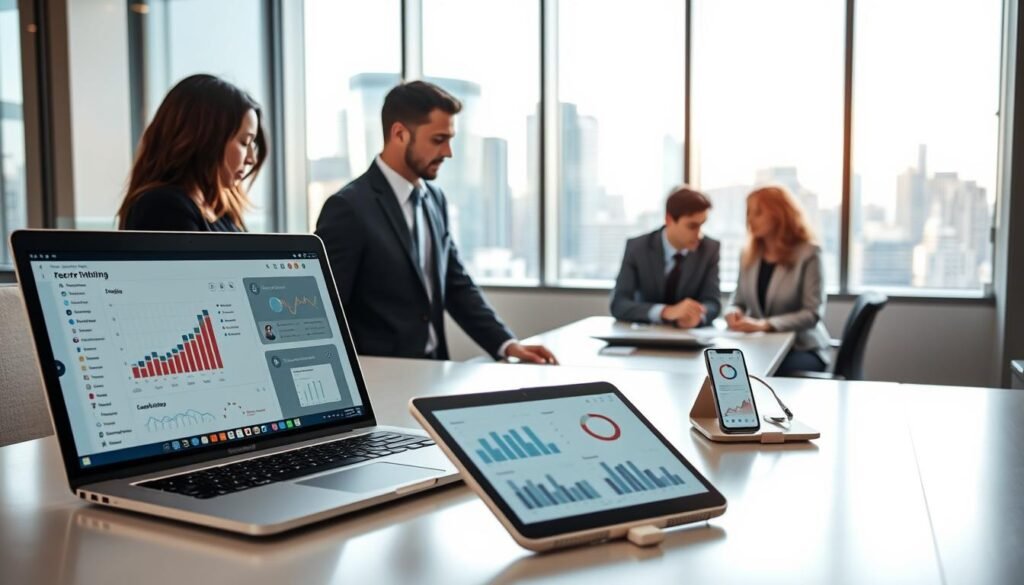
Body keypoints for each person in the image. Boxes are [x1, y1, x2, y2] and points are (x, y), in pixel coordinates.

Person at [315, 80, 557, 364]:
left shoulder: (435, 199)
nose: (448, 152)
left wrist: (507, 344)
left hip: (434, 368)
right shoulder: (348, 208)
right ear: (400, 134)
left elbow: (455, 284)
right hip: (378, 378)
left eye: (450, 139)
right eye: (438, 140)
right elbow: (327, 311)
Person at [116, 74, 267, 231]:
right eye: (244, 142)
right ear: (208, 139)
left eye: (252, 144)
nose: (252, 159)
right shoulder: (163, 208)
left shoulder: (222, 211)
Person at [724, 185, 831, 375]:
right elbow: (738, 299)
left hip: (802, 348)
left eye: (757, 213)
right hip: (761, 346)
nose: (750, 219)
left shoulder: (809, 253)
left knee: (758, 373)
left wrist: (766, 325)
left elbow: (812, 313)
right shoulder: (748, 255)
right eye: (748, 213)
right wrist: (733, 313)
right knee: (729, 367)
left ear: (779, 214)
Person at [610, 186, 721, 327]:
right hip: (646, 335)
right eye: (692, 226)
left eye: (702, 225)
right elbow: (619, 304)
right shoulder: (637, 248)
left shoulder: (710, 249)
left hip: (688, 337)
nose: (699, 234)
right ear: (669, 219)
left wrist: (698, 316)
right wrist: (665, 312)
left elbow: (713, 303)